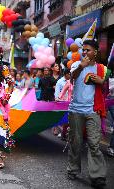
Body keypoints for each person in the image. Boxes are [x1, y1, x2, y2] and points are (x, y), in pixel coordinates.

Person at [67, 40, 109, 188]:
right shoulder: (75, 64)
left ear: (95, 52)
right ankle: (72, 169)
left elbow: (106, 90)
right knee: (76, 142)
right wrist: (81, 66)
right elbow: (72, 77)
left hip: (93, 110)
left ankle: (97, 176)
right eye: (83, 50)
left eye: (88, 50)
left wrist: (102, 81)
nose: (84, 52)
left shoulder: (101, 68)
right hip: (76, 110)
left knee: (94, 144)